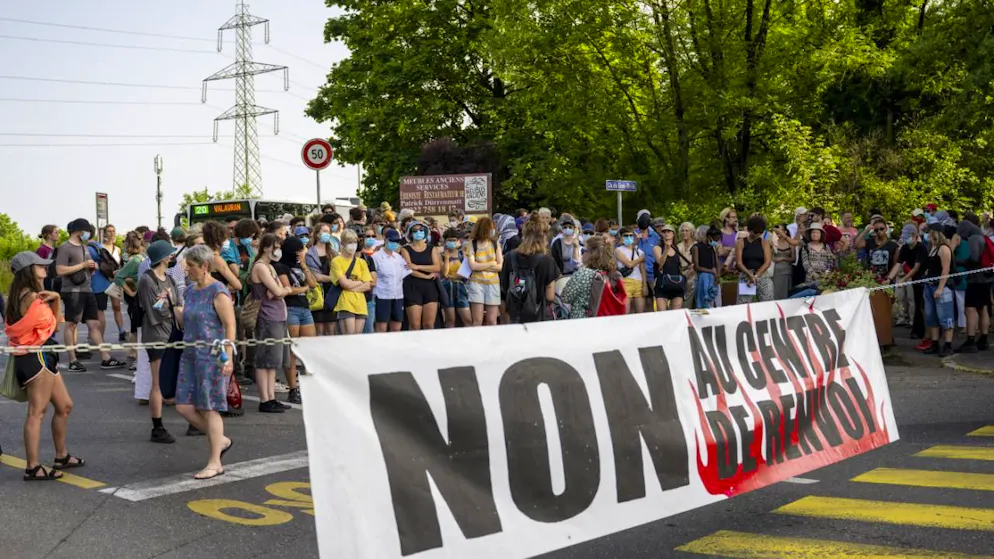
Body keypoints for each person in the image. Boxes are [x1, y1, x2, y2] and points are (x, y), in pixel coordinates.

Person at [5, 252, 84, 481]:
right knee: (36, 413)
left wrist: (56, 298)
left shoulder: (23, 295)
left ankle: (61, 455)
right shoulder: (29, 297)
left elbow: (52, 326)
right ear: (29, 270)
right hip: (36, 356)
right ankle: (33, 466)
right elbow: (53, 328)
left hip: (39, 355)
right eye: (40, 266)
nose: (45, 269)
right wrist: (54, 300)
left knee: (65, 405)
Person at [174, 245, 236, 480]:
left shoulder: (218, 291)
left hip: (213, 355)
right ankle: (220, 440)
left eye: (191, 265)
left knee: (209, 407)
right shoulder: (190, 291)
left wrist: (227, 355)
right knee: (184, 405)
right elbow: (186, 320)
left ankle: (215, 462)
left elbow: (230, 325)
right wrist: (173, 307)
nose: (187, 269)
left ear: (205, 266)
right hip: (189, 353)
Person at [55, 218, 125, 372]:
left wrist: (93, 267)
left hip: (88, 289)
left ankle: (105, 357)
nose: (88, 234)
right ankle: (73, 360)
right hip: (73, 291)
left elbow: (87, 265)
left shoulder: (84, 247)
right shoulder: (65, 248)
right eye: (86, 231)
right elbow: (60, 270)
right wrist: (83, 265)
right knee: (71, 325)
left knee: (94, 324)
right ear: (78, 231)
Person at [138, 240, 184, 444]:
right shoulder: (147, 280)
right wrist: (167, 304)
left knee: (171, 377)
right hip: (157, 333)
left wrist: (171, 306)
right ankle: (157, 426)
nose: (173, 257)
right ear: (163, 258)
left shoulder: (169, 278)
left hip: (172, 330)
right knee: (156, 382)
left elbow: (177, 303)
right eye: (170, 254)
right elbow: (154, 309)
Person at [249, 234, 292, 413]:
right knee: (265, 359)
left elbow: (280, 290)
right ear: (266, 248)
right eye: (275, 246)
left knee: (274, 360)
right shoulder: (260, 267)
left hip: (278, 316)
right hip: (268, 317)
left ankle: (271, 397)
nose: (278, 250)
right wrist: (284, 290)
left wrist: (283, 290)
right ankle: (264, 399)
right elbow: (277, 290)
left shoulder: (270, 267)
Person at [274, 236, 316, 404]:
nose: (302, 252)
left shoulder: (299, 265)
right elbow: (288, 289)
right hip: (290, 308)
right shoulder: (280, 266)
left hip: (304, 308)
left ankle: (308, 384)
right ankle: (293, 388)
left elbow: (313, 283)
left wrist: (304, 265)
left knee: (309, 347)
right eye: (300, 250)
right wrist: (303, 288)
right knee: (291, 351)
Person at [500, 218, 559, 323]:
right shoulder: (547, 260)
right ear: (543, 237)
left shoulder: (509, 257)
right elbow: (550, 296)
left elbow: (503, 290)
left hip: (513, 315)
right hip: (538, 317)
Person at [955, 213, 993, 352]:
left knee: (970, 309)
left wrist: (960, 262)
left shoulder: (973, 239)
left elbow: (975, 258)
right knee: (983, 308)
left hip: (975, 279)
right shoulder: (983, 236)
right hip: (986, 278)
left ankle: (970, 340)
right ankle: (983, 339)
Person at [921, 224, 955, 356]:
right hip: (929, 285)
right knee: (931, 317)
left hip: (941, 287)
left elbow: (945, 269)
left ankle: (948, 345)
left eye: (929, 232)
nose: (927, 235)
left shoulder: (944, 249)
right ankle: (934, 343)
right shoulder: (933, 248)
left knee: (945, 317)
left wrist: (940, 288)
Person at [331, 229, 373, 335]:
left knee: (357, 337)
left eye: (355, 242)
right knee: (349, 337)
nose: (353, 245)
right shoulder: (336, 261)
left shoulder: (362, 262)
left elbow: (368, 285)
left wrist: (351, 285)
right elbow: (344, 284)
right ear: (343, 244)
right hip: (345, 303)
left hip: (360, 304)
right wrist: (360, 282)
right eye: (350, 242)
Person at [888, 226, 926, 338]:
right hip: (912, 277)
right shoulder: (905, 248)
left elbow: (916, 267)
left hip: (922, 277)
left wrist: (904, 279)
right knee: (914, 301)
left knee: (919, 304)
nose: (905, 240)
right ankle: (916, 330)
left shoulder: (921, 248)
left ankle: (921, 330)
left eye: (907, 237)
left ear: (914, 236)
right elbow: (899, 263)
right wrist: (890, 278)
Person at [467, 216, 503, 326]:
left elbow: (499, 266)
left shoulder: (495, 244)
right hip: (477, 284)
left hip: (493, 284)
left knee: (492, 320)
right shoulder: (472, 244)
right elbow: (472, 266)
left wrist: (481, 266)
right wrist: (491, 263)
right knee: (477, 320)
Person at [371, 228, 406, 332]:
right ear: (385, 240)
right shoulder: (375, 257)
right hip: (382, 296)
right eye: (392, 241)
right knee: (381, 328)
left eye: (397, 241)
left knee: (397, 327)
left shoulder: (399, 258)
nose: (395, 243)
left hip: (398, 295)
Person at [735, 215, 774, 304]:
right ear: (750, 229)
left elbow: (767, 262)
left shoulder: (764, 243)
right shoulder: (740, 242)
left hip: (762, 276)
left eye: (760, 232)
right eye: (756, 232)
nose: (758, 234)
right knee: (745, 305)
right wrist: (750, 275)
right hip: (746, 277)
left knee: (767, 304)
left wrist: (755, 276)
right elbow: (739, 263)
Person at [440, 228, 471, 328]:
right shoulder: (441, 255)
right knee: (450, 320)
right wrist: (447, 258)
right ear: (445, 241)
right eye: (449, 240)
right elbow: (444, 273)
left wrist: (451, 276)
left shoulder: (463, 255)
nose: (452, 242)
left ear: (459, 241)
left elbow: (464, 273)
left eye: (454, 240)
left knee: (468, 320)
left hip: (461, 289)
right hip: (446, 289)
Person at [654, 224, 690, 310]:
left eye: (669, 231)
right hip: (662, 284)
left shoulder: (678, 248)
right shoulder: (657, 248)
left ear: (673, 234)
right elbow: (660, 264)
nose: (666, 234)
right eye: (664, 232)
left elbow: (681, 268)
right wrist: (666, 249)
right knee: (662, 314)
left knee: (676, 314)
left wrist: (689, 269)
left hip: (676, 284)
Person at [615, 227, 646, 313]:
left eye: (631, 235)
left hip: (639, 281)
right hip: (625, 281)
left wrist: (645, 285)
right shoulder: (618, 250)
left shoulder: (639, 251)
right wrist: (641, 259)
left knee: (640, 312)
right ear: (621, 237)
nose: (629, 237)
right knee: (626, 313)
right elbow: (629, 264)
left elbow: (642, 270)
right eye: (626, 236)